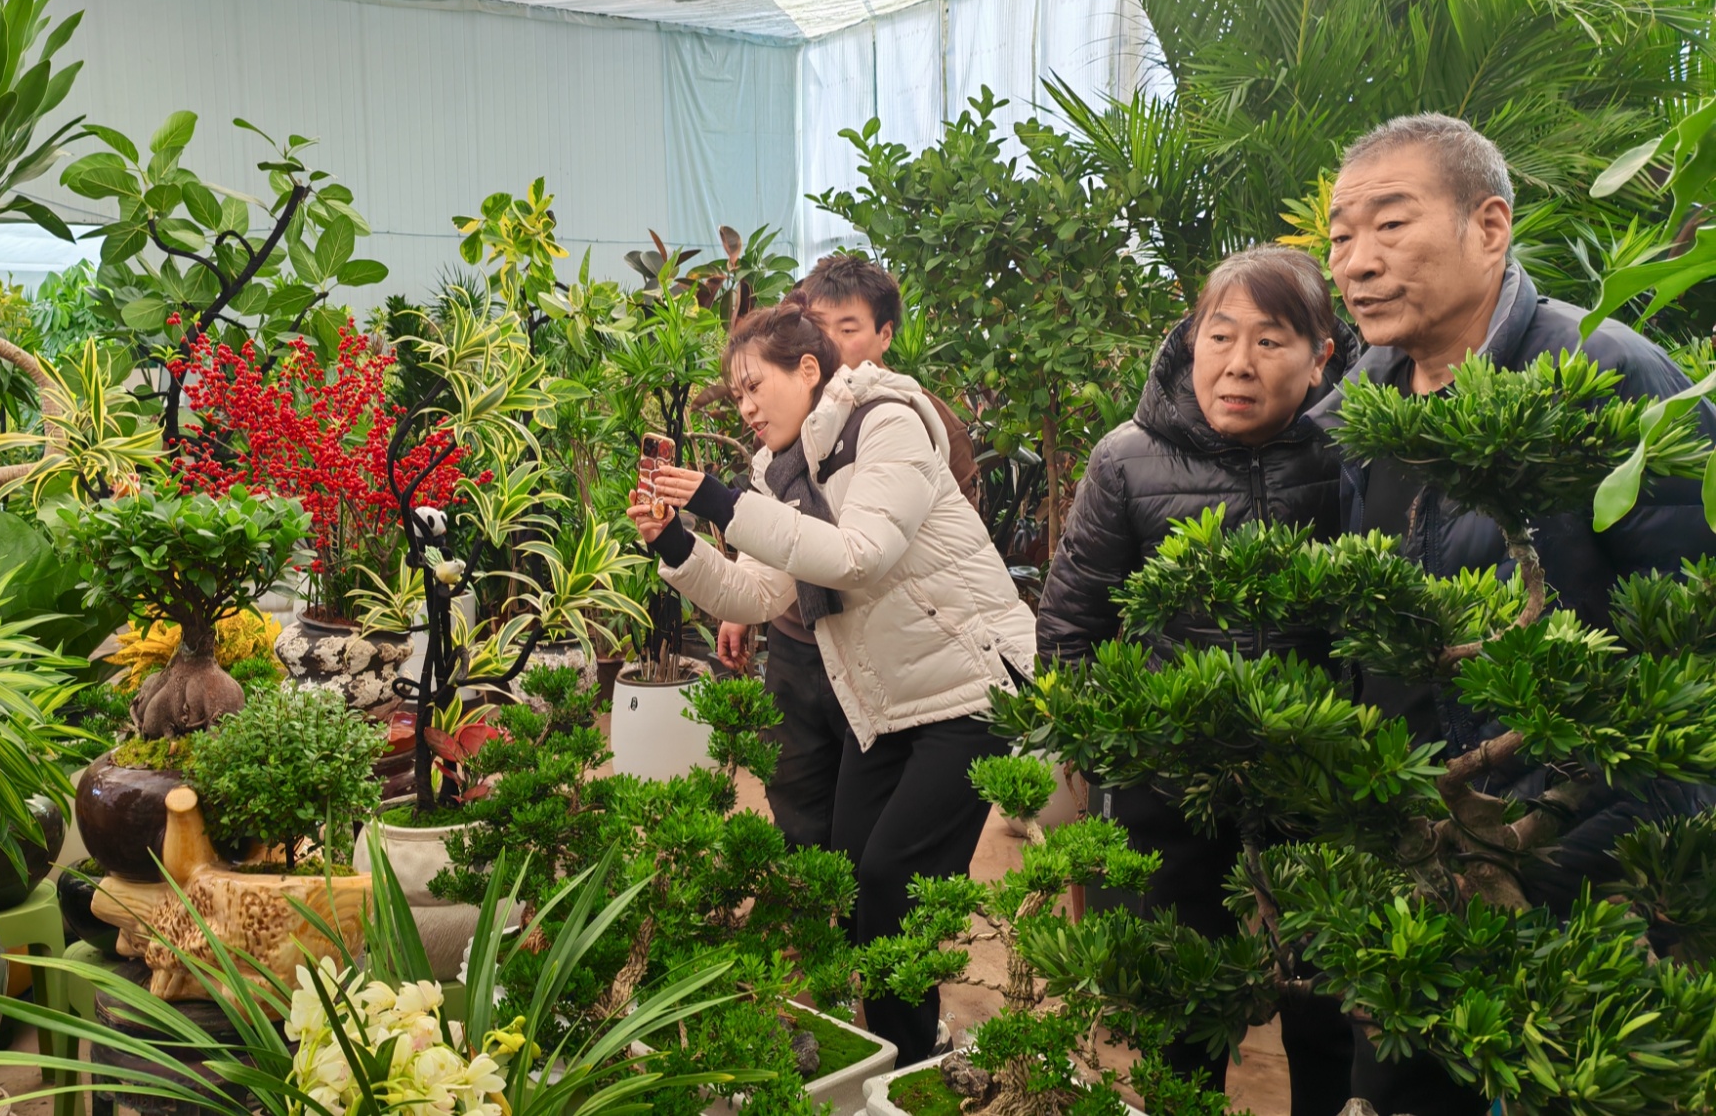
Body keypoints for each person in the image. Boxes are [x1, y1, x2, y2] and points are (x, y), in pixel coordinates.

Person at [1311, 113, 1716, 1115]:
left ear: (1488, 227)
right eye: (1336, 237)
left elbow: (1690, 666)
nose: (1354, 262)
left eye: (1387, 226)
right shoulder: (1358, 407)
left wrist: (1561, 850)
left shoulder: (1603, 375)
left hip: (1569, 860)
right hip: (1421, 843)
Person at [627, 291, 1033, 1064]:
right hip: (885, 701)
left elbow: (858, 553)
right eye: (737, 393)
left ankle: (901, 1062)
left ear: (809, 368)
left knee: (889, 880)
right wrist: (674, 543)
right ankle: (882, 1051)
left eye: (756, 385)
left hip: (974, 688)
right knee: (841, 878)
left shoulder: (887, 422)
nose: (746, 406)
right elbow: (758, 593)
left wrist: (722, 500)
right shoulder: (779, 470)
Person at [1035, 244, 1357, 1114]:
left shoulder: (1357, 452)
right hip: (1174, 781)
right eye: (1221, 336)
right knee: (1180, 1004)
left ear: (1322, 353)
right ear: (1190, 340)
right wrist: (1088, 751)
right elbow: (1072, 623)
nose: (1239, 364)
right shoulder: (1126, 459)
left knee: (1329, 1008)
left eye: (1271, 340)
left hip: (1319, 777)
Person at [714, 254, 979, 853]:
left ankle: (867, 937)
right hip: (797, 640)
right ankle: (813, 936)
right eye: (815, 323)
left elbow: (940, 549)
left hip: (879, 643)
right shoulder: (785, 429)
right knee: (798, 796)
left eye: (847, 327)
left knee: (874, 833)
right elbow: (769, 520)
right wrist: (738, 602)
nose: (828, 340)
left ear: (885, 335)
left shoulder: (910, 419)